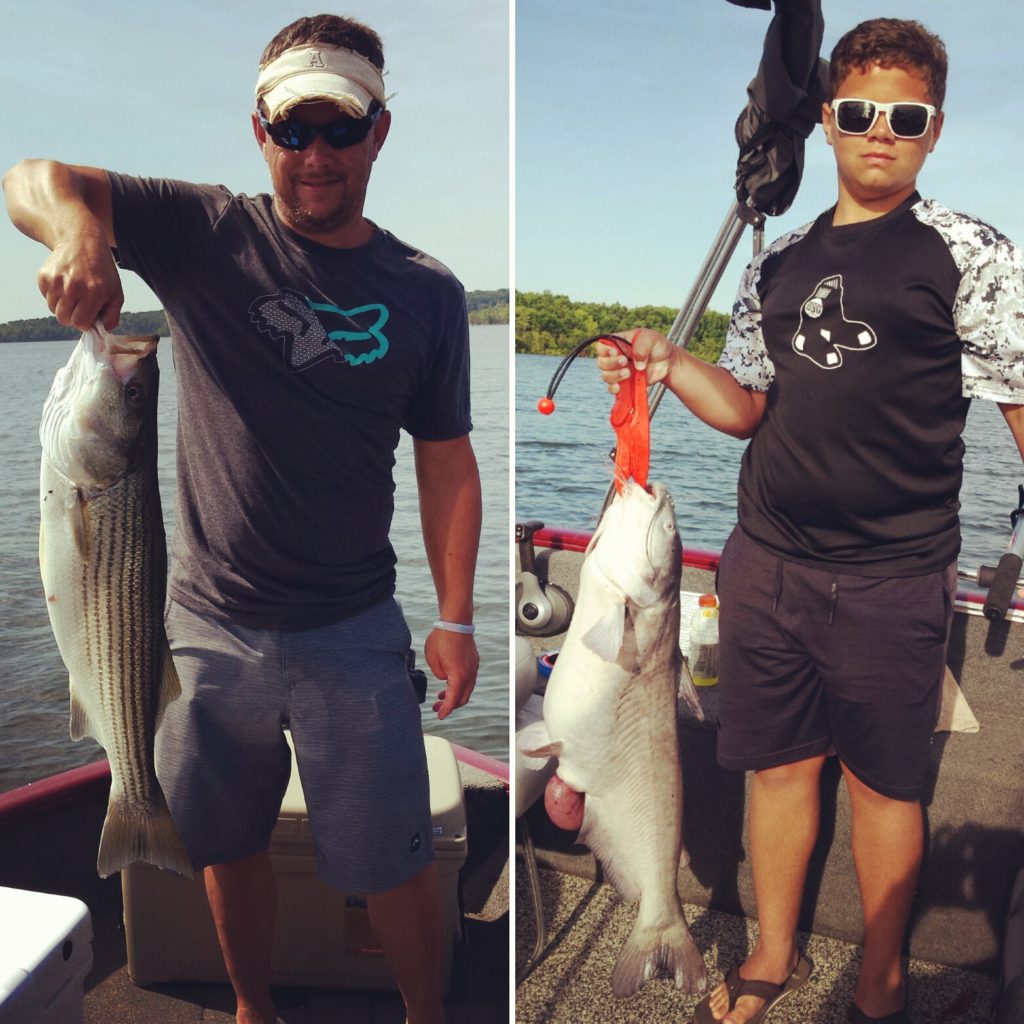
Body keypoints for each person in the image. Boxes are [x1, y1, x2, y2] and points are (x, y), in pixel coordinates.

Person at [4, 14, 481, 1024]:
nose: (314, 154)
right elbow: (33, 175)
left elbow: (445, 461)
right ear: (258, 129)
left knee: (391, 860)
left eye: (339, 129)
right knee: (225, 839)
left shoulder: (428, 292)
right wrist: (84, 235)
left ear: (379, 133)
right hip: (202, 626)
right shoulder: (202, 230)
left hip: (355, 630)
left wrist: (456, 615)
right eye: (292, 127)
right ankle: (253, 1009)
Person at [598, 18, 1024, 1024]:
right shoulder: (778, 262)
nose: (881, 131)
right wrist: (669, 361)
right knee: (779, 771)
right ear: (827, 120)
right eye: (861, 111)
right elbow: (746, 406)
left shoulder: (970, 253)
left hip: (894, 577)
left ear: (933, 131)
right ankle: (774, 953)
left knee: (884, 788)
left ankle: (877, 971)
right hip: (768, 567)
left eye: (905, 116)